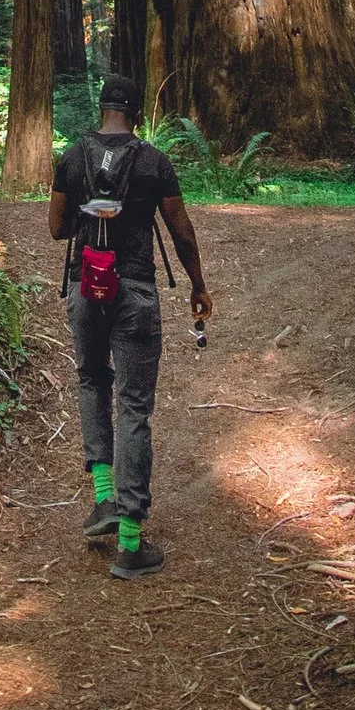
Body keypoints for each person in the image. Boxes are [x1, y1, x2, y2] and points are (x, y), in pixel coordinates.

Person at [48, 71, 211, 576]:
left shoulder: (71, 157)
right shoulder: (153, 161)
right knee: (134, 408)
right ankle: (131, 543)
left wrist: (86, 210)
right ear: (137, 113)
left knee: (92, 382)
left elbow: (56, 229)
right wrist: (197, 286)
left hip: (83, 290)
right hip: (135, 292)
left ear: (101, 109)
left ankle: (103, 500)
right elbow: (181, 232)